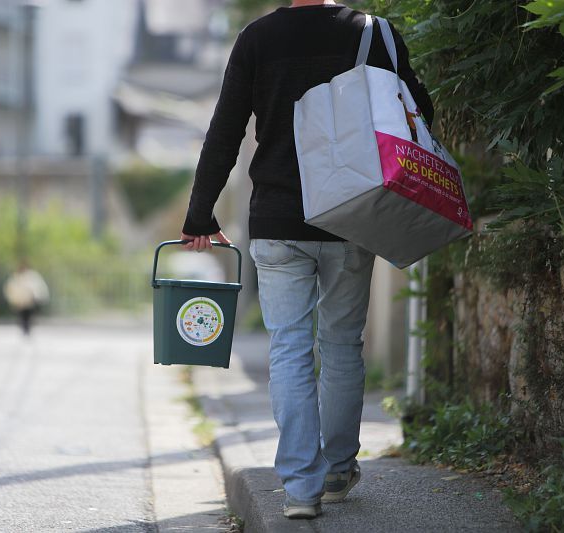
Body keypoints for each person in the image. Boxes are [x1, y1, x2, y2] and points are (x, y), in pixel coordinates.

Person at [180, 0, 433, 520]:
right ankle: (339, 469)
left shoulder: (257, 38)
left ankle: (300, 488)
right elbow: (419, 114)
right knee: (341, 344)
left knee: (289, 348)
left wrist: (199, 214)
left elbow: (225, 130)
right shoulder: (373, 34)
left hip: (275, 220)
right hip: (350, 213)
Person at [3, 262, 50, 336]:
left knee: (28, 316)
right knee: (22, 317)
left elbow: (38, 287)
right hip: (20, 302)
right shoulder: (16, 277)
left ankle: (27, 329)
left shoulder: (32, 276)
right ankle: (24, 329)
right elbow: (10, 289)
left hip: (29, 301)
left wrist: (39, 297)